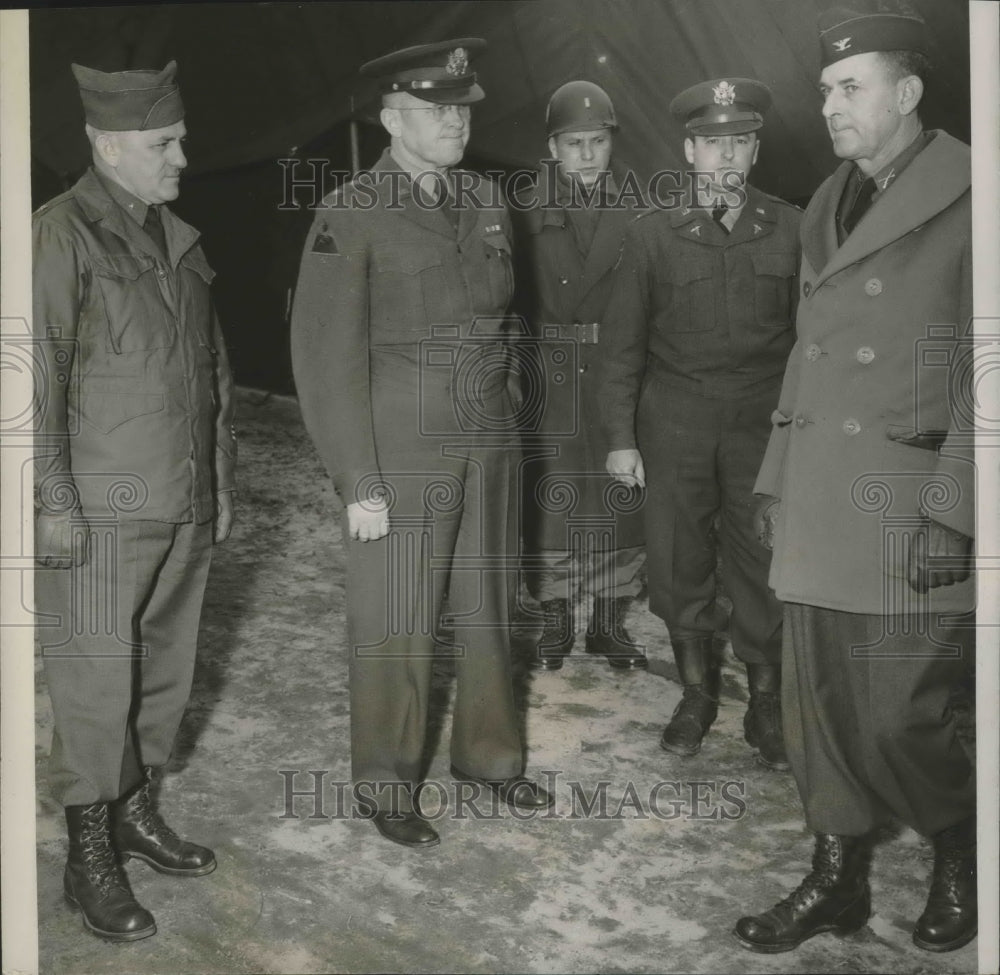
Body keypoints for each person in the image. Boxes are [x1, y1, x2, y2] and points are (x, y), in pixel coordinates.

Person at [734, 3, 976, 954]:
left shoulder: (975, 191)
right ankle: (835, 877)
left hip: (907, 505)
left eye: (849, 87)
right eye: (825, 89)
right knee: (817, 709)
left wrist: (955, 508)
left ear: (907, 93)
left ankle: (963, 843)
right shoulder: (830, 199)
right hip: (819, 496)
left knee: (898, 716)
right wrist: (775, 474)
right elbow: (809, 354)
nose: (829, 105)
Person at [290, 38, 552, 851]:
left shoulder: (486, 199)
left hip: (490, 442)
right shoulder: (351, 209)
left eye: (463, 110)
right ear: (392, 117)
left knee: (488, 609)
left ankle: (490, 757)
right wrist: (356, 476)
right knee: (396, 618)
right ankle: (386, 778)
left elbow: (509, 320)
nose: (456, 124)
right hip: (401, 450)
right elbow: (324, 357)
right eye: (437, 111)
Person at [33, 61, 236, 943]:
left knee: (163, 670)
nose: (182, 155)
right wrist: (53, 498)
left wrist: (220, 484)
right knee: (92, 681)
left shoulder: (176, 238)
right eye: (164, 143)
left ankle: (133, 809)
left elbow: (214, 375)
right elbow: (32, 378)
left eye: (179, 137)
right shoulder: (60, 236)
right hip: (102, 509)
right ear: (107, 146)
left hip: (181, 499)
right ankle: (87, 852)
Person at [601, 77, 800, 769]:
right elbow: (622, 345)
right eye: (712, 143)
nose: (726, 157)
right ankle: (697, 694)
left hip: (762, 421)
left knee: (765, 558)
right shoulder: (651, 236)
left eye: (739, 142)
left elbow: (812, 344)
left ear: (754, 149)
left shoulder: (793, 228)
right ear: (689, 150)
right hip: (675, 418)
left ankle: (767, 702)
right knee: (678, 558)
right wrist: (622, 439)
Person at [511, 80, 647, 672]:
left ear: (611, 141)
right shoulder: (522, 209)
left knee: (619, 501)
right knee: (555, 499)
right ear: (553, 147)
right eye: (574, 143)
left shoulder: (643, 209)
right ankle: (557, 617)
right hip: (552, 371)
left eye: (597, 140)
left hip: (620, 367)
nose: (587, 153)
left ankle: (609, 624)